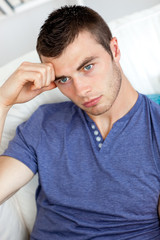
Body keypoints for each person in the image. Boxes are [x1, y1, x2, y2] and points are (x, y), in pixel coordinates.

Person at [0, 5, 160, 240]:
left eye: (87, 66)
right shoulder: (44, 124)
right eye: (64, 79)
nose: (81, 90)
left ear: (114, 50)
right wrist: (3, 101)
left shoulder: (155, 128)